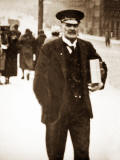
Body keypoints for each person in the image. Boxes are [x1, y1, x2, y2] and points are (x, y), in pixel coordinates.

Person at [33, 9, 107, 160]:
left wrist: (100, 82)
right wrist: (49, 106)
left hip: (81, 113)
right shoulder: (49, 49)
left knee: (82, 154)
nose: (72, 28)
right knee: (55, 155)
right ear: (62, 26)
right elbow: (39, 82)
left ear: (78, 27)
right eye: (68, 25)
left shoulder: (87, 47)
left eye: (75, 25)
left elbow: (101, 66)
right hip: (56, 112)